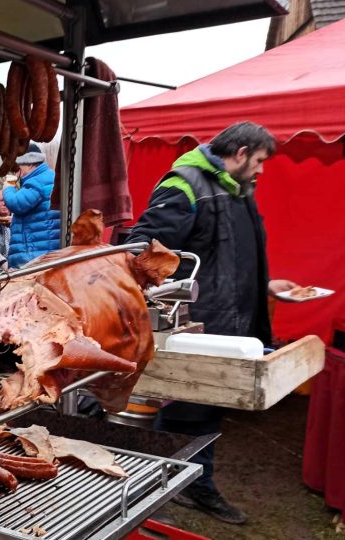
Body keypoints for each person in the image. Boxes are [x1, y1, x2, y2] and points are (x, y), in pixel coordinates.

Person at [127, 121, 299, 525]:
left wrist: (267, 285)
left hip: (232, 319)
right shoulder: (185, 184)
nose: (261, 170)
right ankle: (170, 486)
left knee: (203, 409)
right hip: (200, 322)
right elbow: (143, 250)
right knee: (186, 407)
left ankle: (182, 483)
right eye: (258, 161)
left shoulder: (238, 191)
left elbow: (228, 255)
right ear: (239, 153)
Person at [3, 143, 61, 268]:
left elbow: (16, 203)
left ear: (30, 163)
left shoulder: (37, 181)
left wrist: (8, 187)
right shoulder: (47, 177)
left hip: (35, 254)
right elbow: (39, 214)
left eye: (18, 166)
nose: (17, 171)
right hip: (45, 247)